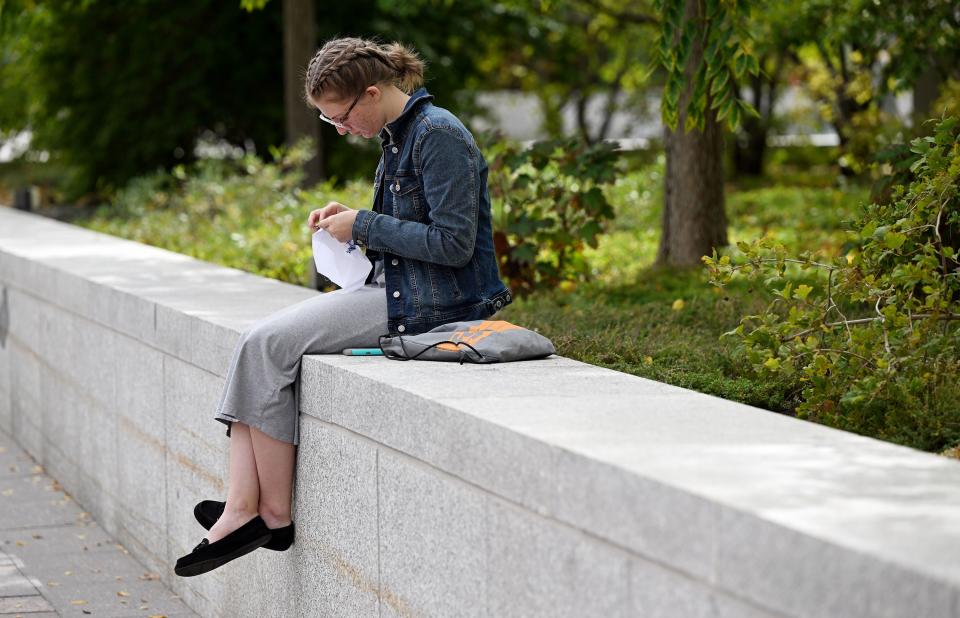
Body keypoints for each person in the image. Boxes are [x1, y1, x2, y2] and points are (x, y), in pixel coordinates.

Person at [174, 36, 512, 577]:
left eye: (340, 117)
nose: (340, 129)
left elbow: (453, 245)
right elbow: (411, 233)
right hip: (397, 288)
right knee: (258, 342)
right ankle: (244, 506)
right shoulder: (399, 136)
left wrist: (366, 223)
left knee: (266, 343)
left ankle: (267, 515)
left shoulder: (440, 135)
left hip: (434, 304)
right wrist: (349, 225)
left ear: (372, 94)